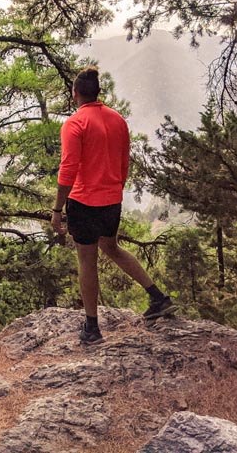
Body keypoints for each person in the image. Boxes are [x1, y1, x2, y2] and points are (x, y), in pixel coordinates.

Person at [51, 66, 174, 345]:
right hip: (111, 201)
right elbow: (123, 164)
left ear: (75, 94)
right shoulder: (118, 120)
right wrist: (114, 191)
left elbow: (68, 169)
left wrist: (58, 209)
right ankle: (158, 297)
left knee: (87, 259)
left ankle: (92, 328)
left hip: (83, 201)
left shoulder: (75, 123)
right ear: (97, 92)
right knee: (111, 247)